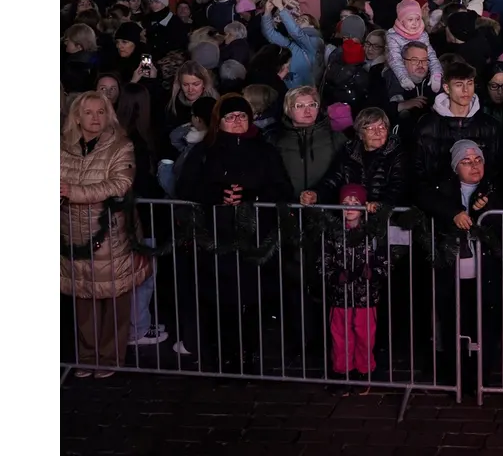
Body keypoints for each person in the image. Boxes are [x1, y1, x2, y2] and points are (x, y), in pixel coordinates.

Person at [174, 94, 292, 370]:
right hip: (217, 235)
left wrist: (251, 195)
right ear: (220, 121)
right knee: (220, 297)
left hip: (256, 235)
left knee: (253, 297)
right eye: (230, 117)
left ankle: (250, 353)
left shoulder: (265, 149)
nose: (237, 121)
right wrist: (216, 195)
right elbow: (185, 187)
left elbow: (282, 188)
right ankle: (226, 355)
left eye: (242, 116)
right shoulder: (205, 150)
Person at [61, 92, 151, 378]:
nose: (95, 118)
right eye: (88, 113)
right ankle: (88, 356)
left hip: (111, 235)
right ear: (77, 117)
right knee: (83, 296)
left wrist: (73, 192)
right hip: (72, 235)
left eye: (101, 112)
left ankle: (111, 357)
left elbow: (119, 183)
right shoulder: (61, 147)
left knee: (114, 298)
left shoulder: (121, 145)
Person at [415, 140, 502, 396]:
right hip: (452, 272)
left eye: (478, 160)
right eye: (466, 162)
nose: (474, 166)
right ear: (455, 167)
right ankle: (457, 379)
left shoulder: (493, 188)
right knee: (454, 323)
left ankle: (482, 379)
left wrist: (488, 209)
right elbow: (422, 196)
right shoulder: (442, 189)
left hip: (485, 273)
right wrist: (452, 211)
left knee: (485, 326)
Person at [319, 184, 386, 395]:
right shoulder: (332, 233)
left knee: (365, 336)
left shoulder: (372, 233)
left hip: (366, 297)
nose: (349, 208)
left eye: (355, 204)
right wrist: (334, 276)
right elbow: (323, 261)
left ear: (364, 207)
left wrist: (374, 273)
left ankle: (363, 372)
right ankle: (341, 373)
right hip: (340, 298)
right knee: (339, 336)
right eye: (345, 203)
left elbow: (385, 261)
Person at [412, 60, 501, 192]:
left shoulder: (489, 125)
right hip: (437, 199)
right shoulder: (427, 125)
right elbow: (417, 170)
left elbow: (495, 167)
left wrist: (484, 193)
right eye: (459, 85)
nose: (466, 90)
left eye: (469, 83)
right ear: (447, 88)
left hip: (479, 201)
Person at [272, 86, 346, 199]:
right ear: (288, 109)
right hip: (288, 209)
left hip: (326, 208)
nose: (307, 111)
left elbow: (343, 174)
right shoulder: (275, 139)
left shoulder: (336, 138)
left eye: (312, 105)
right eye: (299, 106)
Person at [260, 0, 323, 89]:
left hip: (304, 92)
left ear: (312, 26)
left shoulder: (315, 42)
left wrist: (281, 7)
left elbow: (297, 33)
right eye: (297, 19)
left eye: (304, 20)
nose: (298, 20)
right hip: (286, 89)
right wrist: (267, 12)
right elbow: (270, 34)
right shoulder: (291, 43)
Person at [386, 0, 443, 94]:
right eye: (410, 19)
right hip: (399, 74)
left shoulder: (423, 35)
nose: (415, 23)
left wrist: (436, 74)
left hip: (418, 72)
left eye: (417, 19)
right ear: (401, 20)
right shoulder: (393, 36)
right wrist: (403, 77)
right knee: (390, 74)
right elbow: (394, 59)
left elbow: (431, 55)